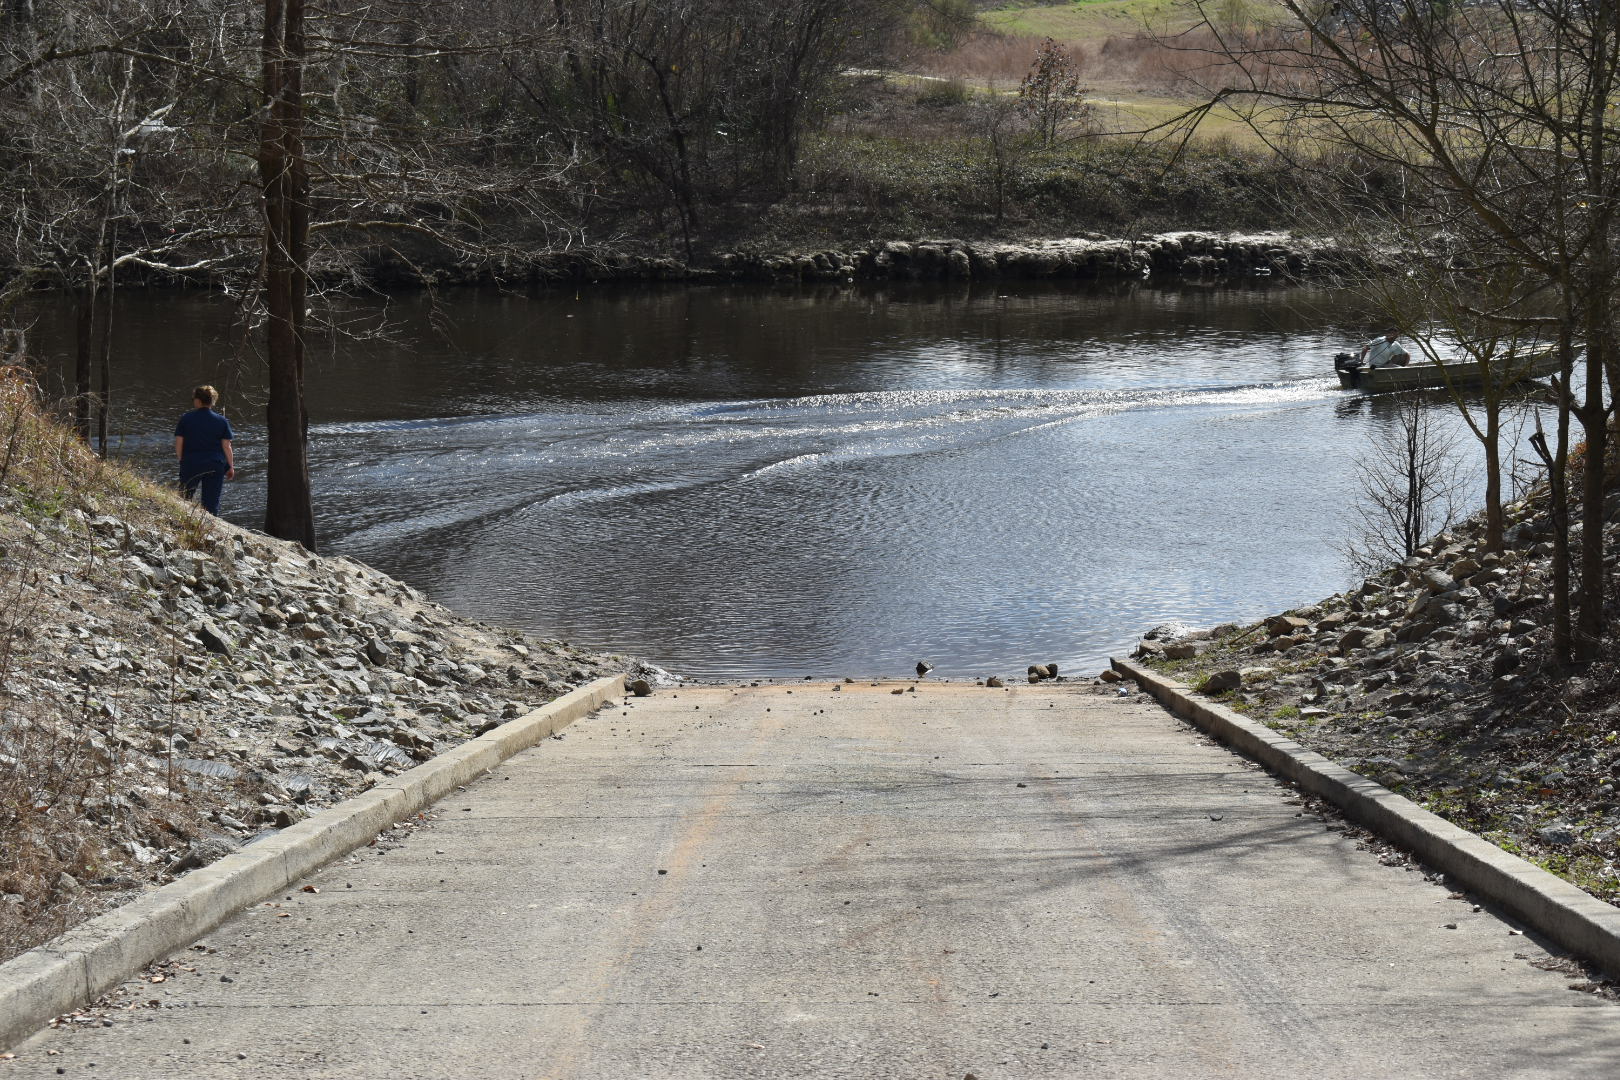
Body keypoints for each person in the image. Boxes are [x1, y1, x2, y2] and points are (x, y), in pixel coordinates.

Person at [174, 384, 235, 515]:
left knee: (185, 497)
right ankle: (209, 528)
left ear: (198, 400)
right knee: (211, 503)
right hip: (215, 464)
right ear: (212, 401)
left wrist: (181, 459)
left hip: (191, 462)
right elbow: (226, 446)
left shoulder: (186, 418)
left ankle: (184, 522)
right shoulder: (222, 421)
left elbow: (179, 442)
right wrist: (230, 466)